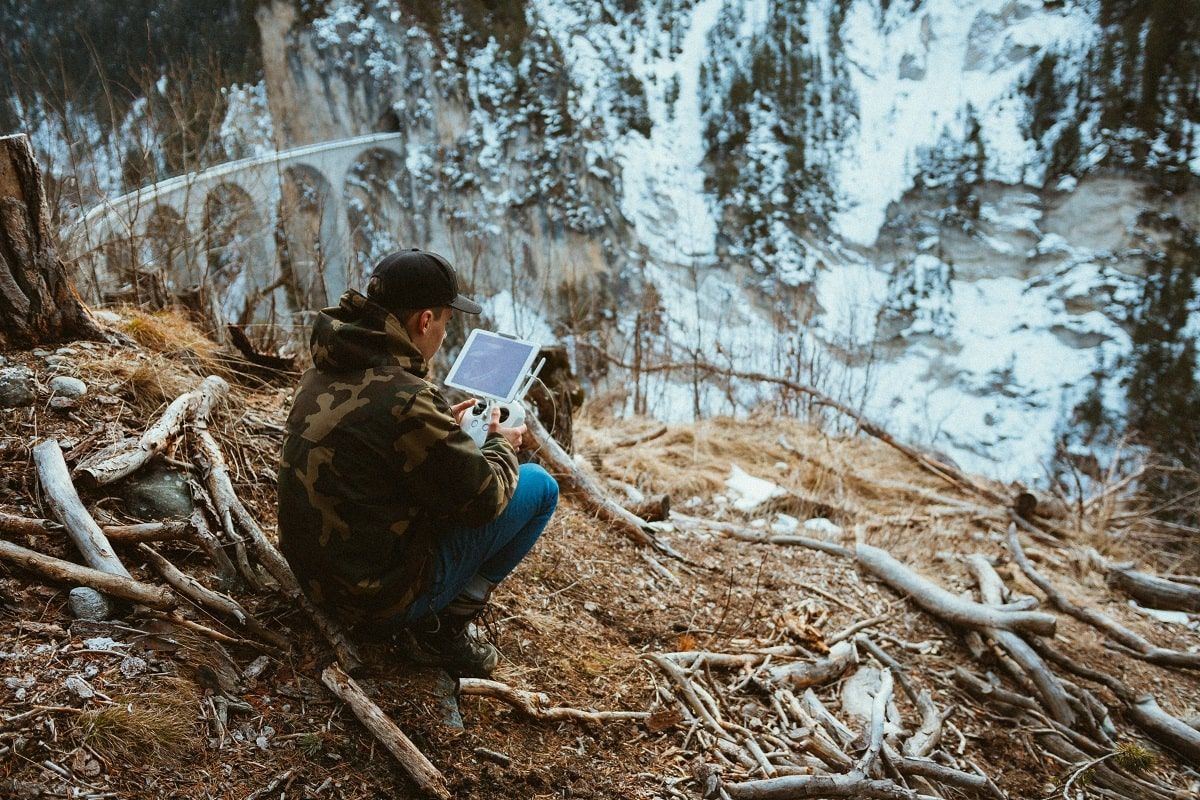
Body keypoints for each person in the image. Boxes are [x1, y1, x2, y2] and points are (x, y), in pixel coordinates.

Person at [277, 248, 559, 676]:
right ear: (425, 321)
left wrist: (446, 429)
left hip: (316, 580)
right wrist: (501, 443)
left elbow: (375, 448)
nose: (445, 334)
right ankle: (441, 629)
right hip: (374, 601)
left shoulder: (326, 366)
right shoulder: (407, 399)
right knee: (540, 486)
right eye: (446, 321)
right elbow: (485, 500)